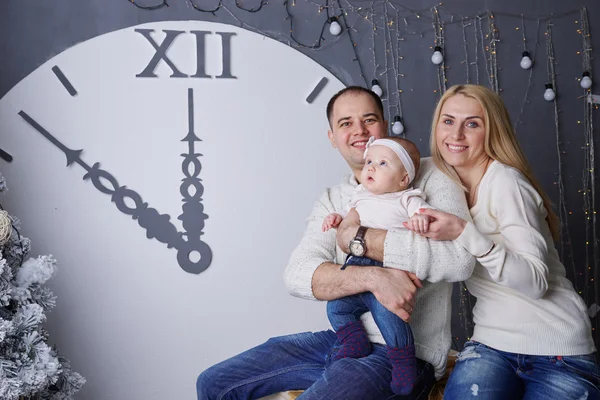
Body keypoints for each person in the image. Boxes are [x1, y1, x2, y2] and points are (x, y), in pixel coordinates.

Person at [196, 86, 476, 400]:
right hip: (344, 340)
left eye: (369, 119)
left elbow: (459, 258)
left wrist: (356, 239)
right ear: (332, 137)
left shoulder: (429, 176)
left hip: (403, 354)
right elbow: (299, 273)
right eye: (346, 123)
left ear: (383, 127)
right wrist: (376, 277)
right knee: (213, 383)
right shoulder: (333, 199)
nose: (359, 130)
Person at [400, 84, 599, 399]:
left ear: (492, 132)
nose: (457, 134)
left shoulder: (507, 184)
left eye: (473, 124)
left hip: (557, 350)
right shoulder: (436, 179)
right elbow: (379, 173)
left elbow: (536, 283)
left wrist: (465, 232)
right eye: (448, 121)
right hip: (490, 344)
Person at [321, 135, 434, 395]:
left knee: (391, 321)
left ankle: (404, 365)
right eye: (370, 161)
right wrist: (335, 218)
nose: (370, 167)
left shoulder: (407, 198)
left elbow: (424, 215)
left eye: (383, 163)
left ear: (403, 179)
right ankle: (355, 341)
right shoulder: (360, 195)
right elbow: (349, 220)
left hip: (389, 271)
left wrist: (420, 220)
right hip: (356, 270)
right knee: (336, 308)